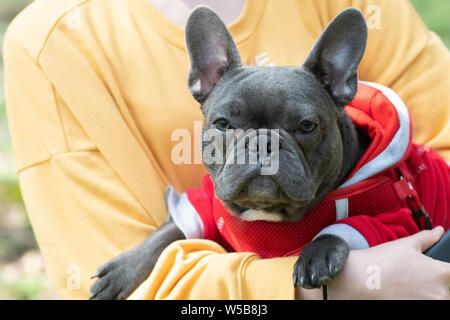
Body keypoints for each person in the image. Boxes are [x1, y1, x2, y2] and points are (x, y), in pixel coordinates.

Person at [3, 0, 450, 300]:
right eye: (227, 126)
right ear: (203, 80)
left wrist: (339, 245)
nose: (262, 152)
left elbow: (393, 223)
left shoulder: (377, 186)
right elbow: (195, 216)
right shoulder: (56, 41)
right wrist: (329, 288)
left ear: (340, 87)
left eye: (304, 128)